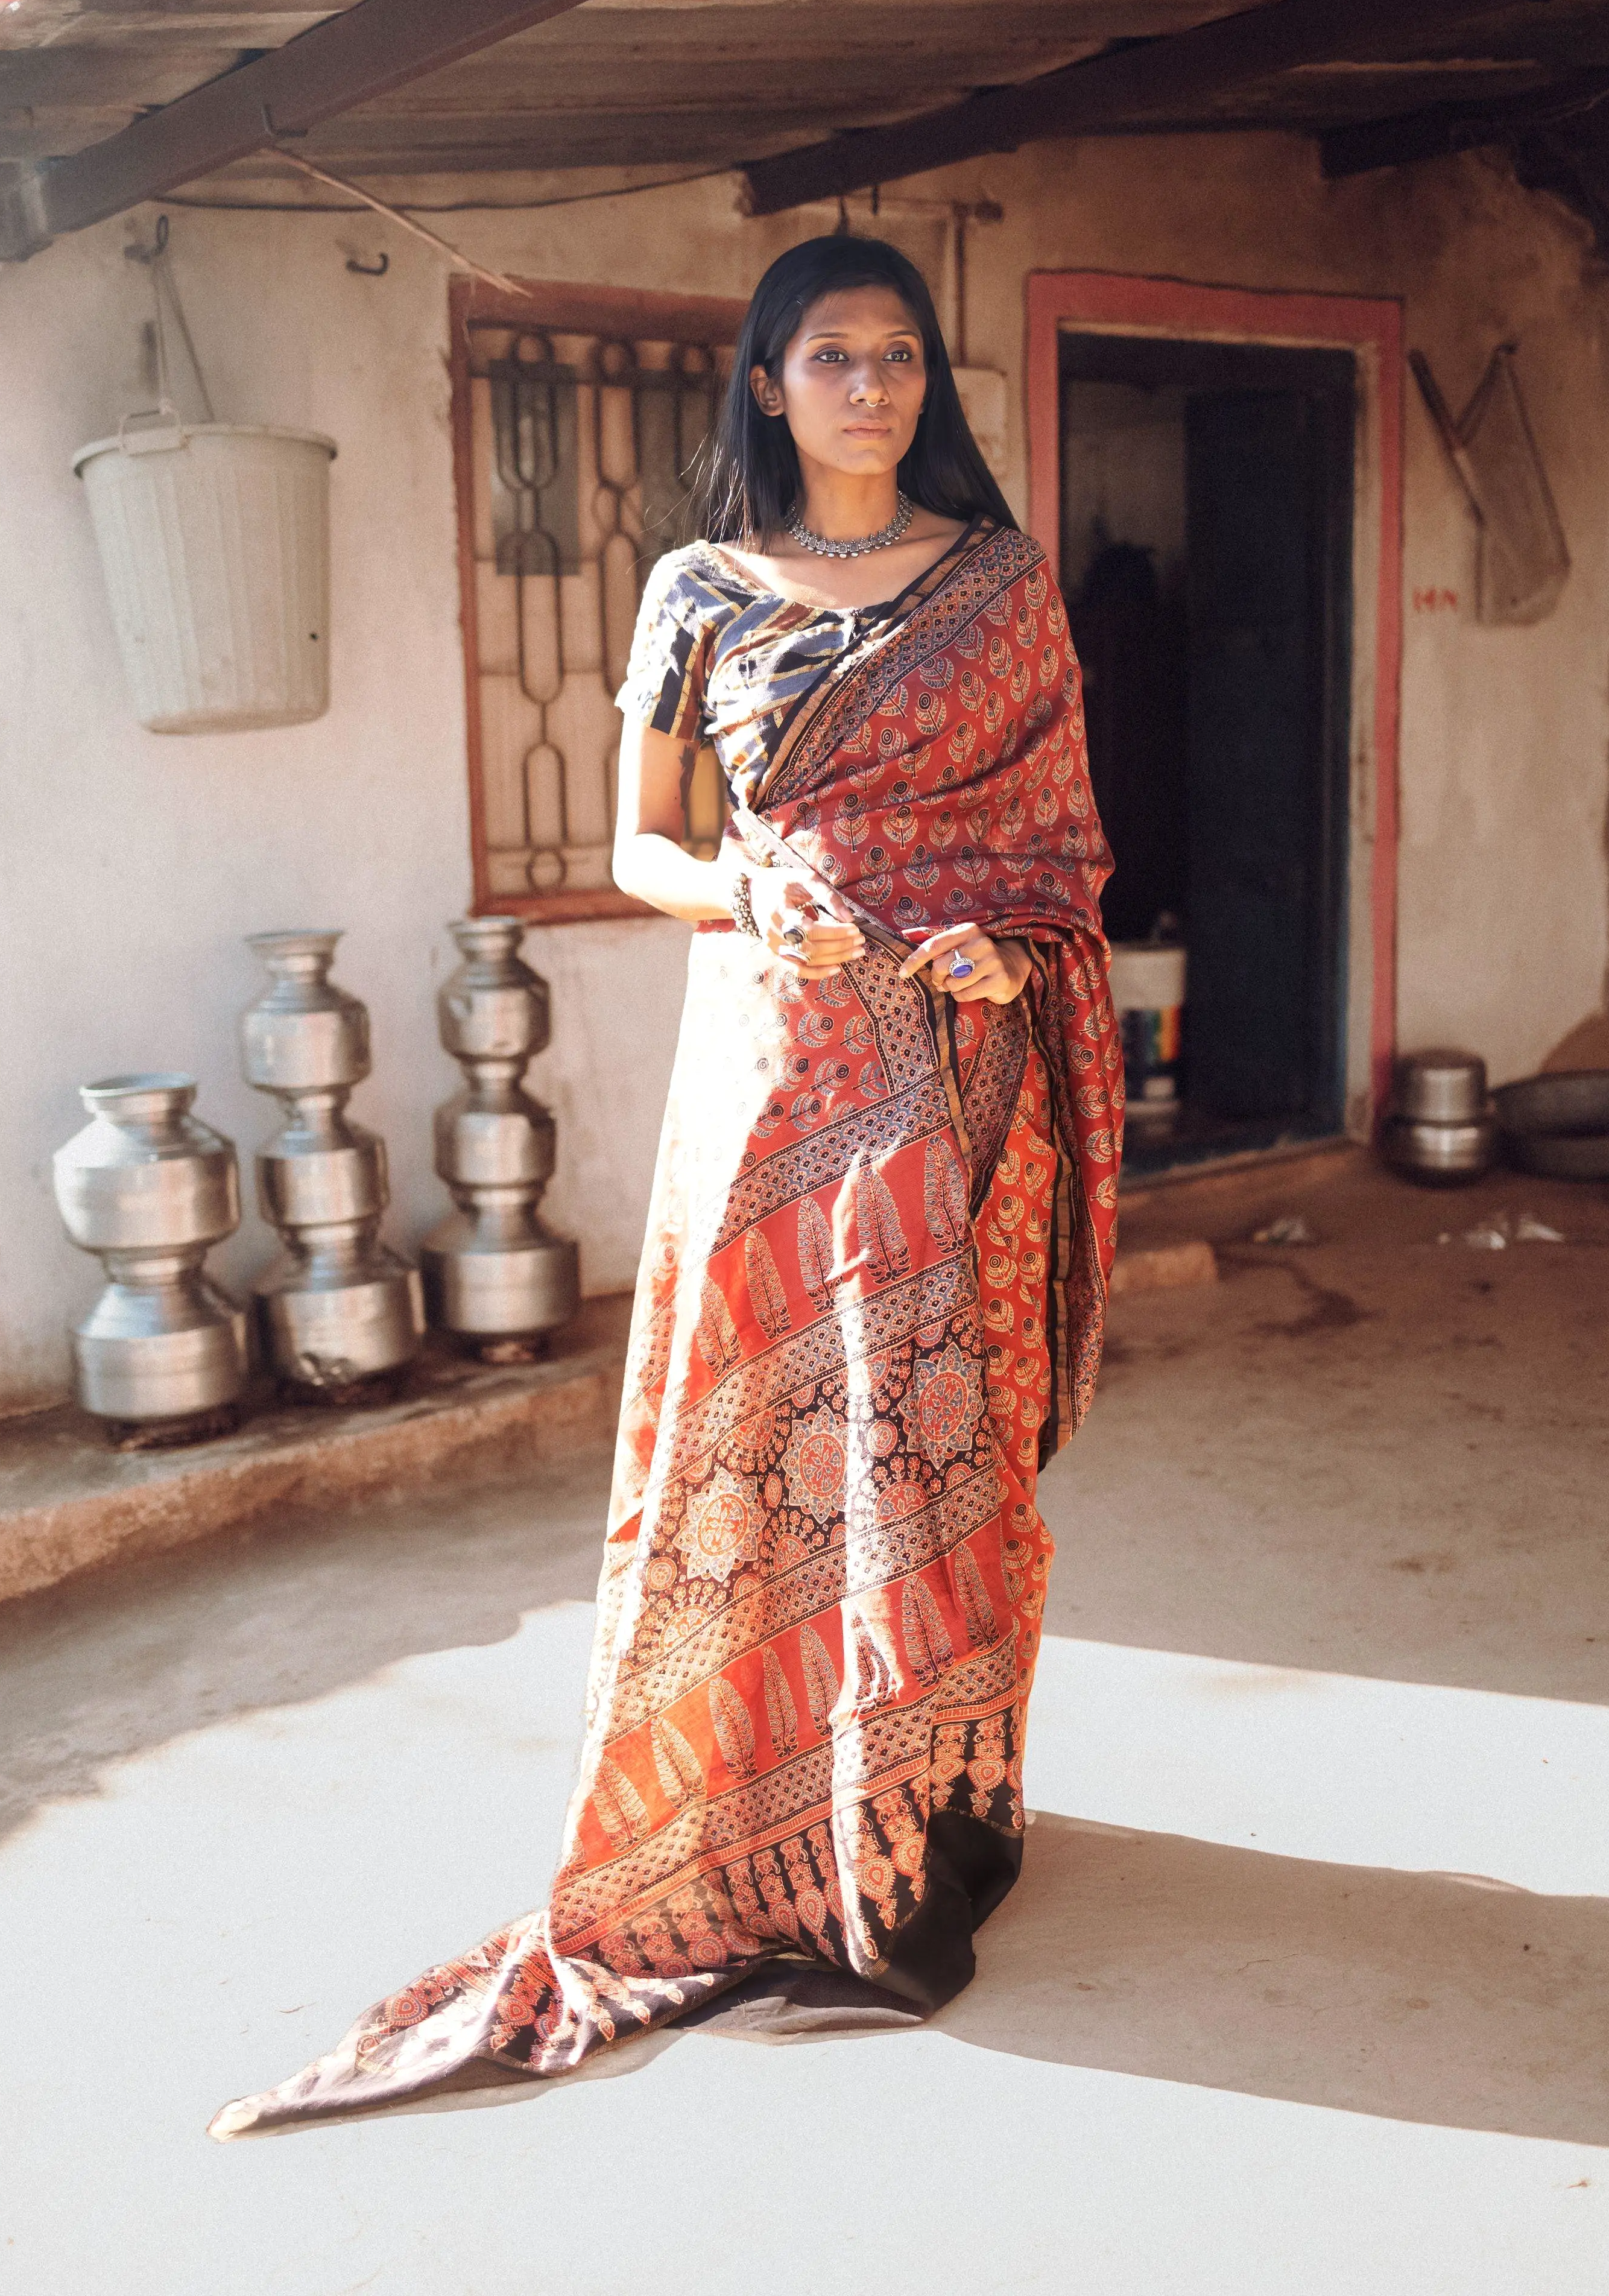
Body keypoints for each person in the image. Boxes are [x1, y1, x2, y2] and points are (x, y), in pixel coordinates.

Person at [210, 233, 1122, 2139]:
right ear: (768, 384)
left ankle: (923, 1830)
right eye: (828, 355)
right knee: (754, 1432)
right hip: (777, 1056)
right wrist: (748, 885)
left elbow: (1056, 845)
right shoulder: (696, 585)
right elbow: (638, 840)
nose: (867, 383)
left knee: (921, 1433)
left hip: (954, 1069)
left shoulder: (1000, 583)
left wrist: (1006, 950)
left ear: (925, 380)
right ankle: (746, 1818)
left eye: (895, 353)